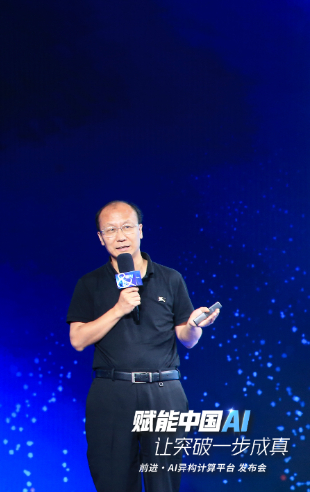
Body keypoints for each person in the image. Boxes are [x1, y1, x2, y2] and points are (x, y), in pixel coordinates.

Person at [67, 200, 220, 492]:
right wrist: (119, 309)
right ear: (100, 237)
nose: (120, 236)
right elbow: (78, 339)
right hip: (112, 393)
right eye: (110, 230)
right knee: (113, 481)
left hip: (164, 392)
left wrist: (194, 325)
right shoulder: (90, 284)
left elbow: (187, 339)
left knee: (164, 482)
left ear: (140, 230)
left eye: (126, 227)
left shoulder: (170, 278)